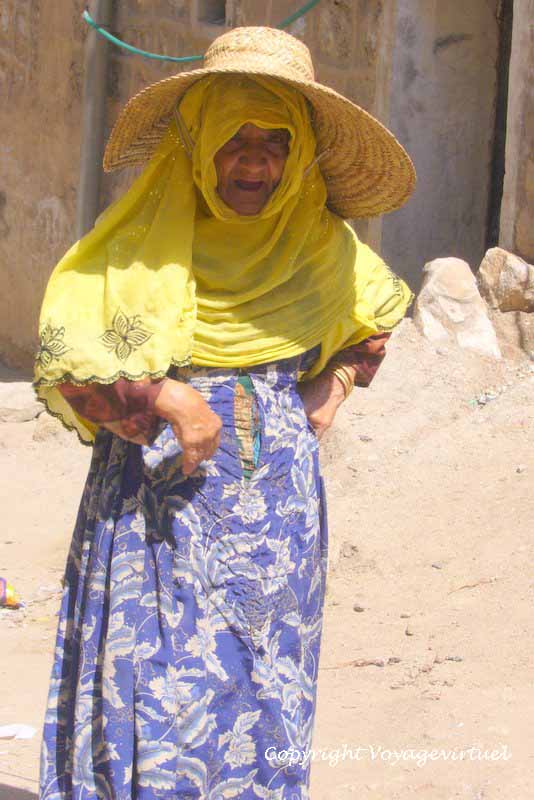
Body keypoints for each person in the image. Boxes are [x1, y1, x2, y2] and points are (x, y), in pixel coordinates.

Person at [34, 26, 415, 800]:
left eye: (274, 141)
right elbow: (64, 357)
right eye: (234, 139)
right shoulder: (138, 246)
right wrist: (163, 394)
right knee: (159, 679)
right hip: (156, 506)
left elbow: (376, 318)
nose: (253, 161)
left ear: (298, 152)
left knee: (264, 679)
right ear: (200, 143)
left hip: (278, 510)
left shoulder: (320, 243)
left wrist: (329, 392)